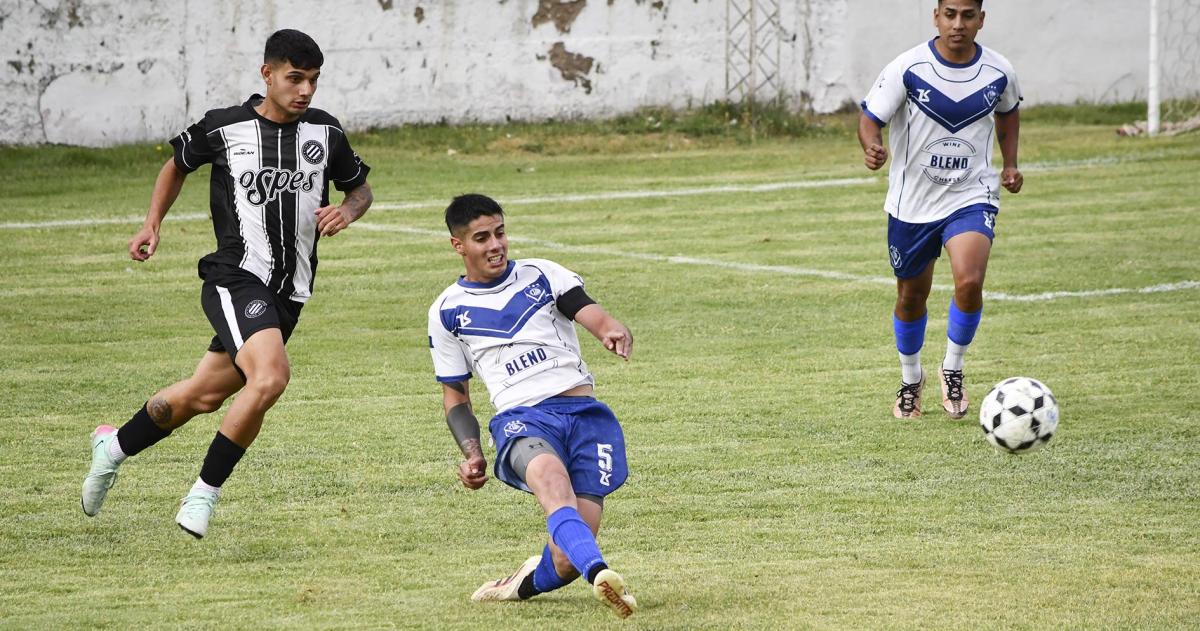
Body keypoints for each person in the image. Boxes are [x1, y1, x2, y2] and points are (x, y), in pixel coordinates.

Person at [80, 29, 373, 538]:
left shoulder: (325, 133)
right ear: (267, 74)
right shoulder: (225, 126)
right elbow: (175, 167)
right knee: (271, 378)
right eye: (294, 78)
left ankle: (114, 447)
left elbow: (359, 188)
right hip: (234, 277)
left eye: (314, 81)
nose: (305, 91)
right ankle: (203, 494)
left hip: (290, 293)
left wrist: (348, 209)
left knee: (200, 397)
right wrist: (153, 223)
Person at [427, 194, 638, 618]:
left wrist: (609, 329)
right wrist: (471, 451)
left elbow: (586, 309)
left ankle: (521, 585)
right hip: (522, 421)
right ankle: (601, 573)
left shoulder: (541, 274)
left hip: (584, 417)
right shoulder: (447, 311)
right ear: (459, 246)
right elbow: (456, 396)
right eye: (482, 238)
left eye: (500, 233)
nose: (495, 245)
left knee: (564, 559)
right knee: (552, 485)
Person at [857, 0, 1022, 419]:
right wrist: (871, 146)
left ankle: (954, 368)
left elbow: (1009, 113)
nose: (958, 24)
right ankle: (911, 377)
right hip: (912, 203)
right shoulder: (908, 68)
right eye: (950, 14)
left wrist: (1011, 163)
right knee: (912, 296)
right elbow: (870, 116)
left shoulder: (999, 71)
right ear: (936, 16)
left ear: (981, 19)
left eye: (968, 15)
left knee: (969, 280)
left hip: (971, 194)